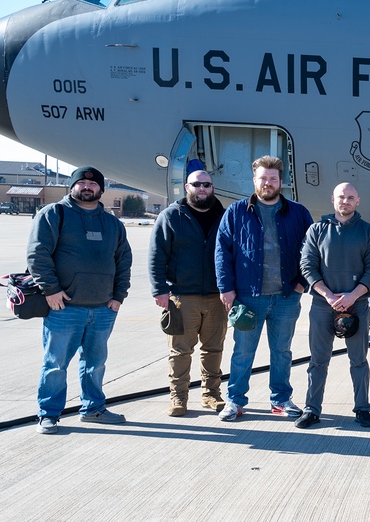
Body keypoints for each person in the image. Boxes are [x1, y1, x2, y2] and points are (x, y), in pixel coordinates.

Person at [30, 166, 132, 434]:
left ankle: (93, 409)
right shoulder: (55, 214)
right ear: (72, 186)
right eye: (82, 182)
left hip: (102, 309)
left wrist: (118, 297)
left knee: (95, 364)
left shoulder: (112, 224)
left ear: (101, 189)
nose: (87, 186)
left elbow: (123, 262)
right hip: (64, 308)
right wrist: (50, 290)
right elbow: (37, 255)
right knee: (55, 364)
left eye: (93, 183)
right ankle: (48, 414)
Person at [215, 155, 313, 422]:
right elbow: (222, 252)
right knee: (243, 351)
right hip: (248, 297)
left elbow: (311, 251)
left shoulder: (298, 213)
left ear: (281, 181)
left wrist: (303, 284)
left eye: (273, 179)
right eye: (263, 178)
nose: (267, 183)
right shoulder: (236, 212)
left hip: (286, 298)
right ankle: (235, 401)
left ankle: (281, 400)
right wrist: (226, 288)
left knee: (282, 351)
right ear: (254, 180)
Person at [296, 183, 370, 430]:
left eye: (350, 198)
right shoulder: (317, 230)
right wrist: (327, 295)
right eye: (340, 197)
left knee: (359, 360)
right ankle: (311, 410)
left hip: (357, 305)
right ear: (332, 199)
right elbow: (307, 265)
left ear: (358, 201)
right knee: (318, 360)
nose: (345, 201)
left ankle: (362, 409)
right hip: (323, 305)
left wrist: (353, 296)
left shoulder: (369, 232)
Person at [148, 169, 227, 417]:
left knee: (213, 349)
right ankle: (178, 397)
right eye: (197, 184)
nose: (202, 188)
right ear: (187, 187)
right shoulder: (171, 216)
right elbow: (156, 255)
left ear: (212, 188)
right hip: (182, 297)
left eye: (206, 184)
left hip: (217, 297)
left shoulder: (223, 217)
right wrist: (160, 290)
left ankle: (211, 395)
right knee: (180, 351)